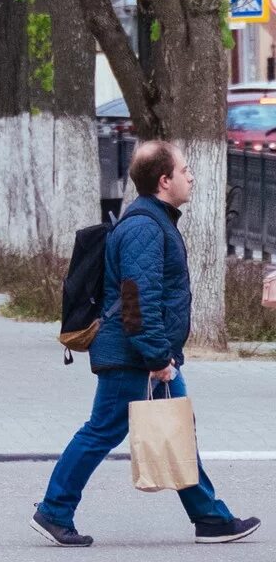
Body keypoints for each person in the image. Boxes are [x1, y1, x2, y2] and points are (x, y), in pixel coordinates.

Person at [32, 141, 260, 547]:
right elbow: (138, 299)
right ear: (164, 180)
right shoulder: (143, 227)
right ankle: (53, 509)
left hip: (145, 351)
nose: (191, 177)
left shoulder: (155, 220)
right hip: (132, 354)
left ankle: (210, 517)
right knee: (102, 430)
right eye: (185, 170)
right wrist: (156, 356)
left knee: (178, 431)